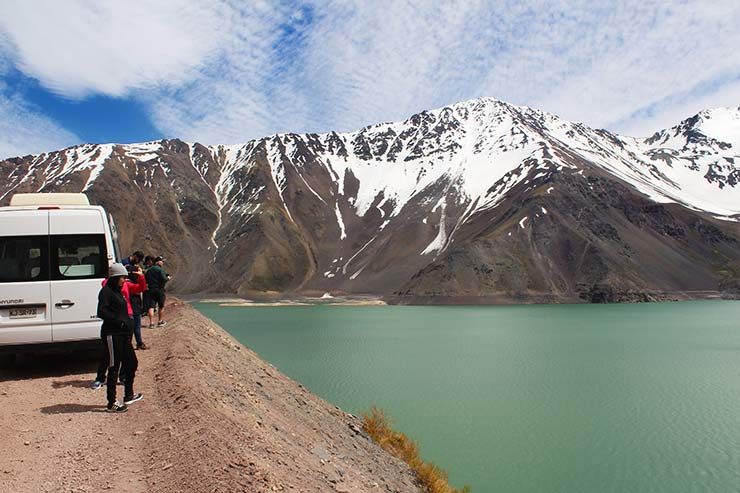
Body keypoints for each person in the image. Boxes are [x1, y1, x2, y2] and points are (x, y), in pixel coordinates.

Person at [94, 263, 144, 412]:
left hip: (122, 335)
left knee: (132, 363)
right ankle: (111, 402)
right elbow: (101, 312)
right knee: (114, 367)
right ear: (115, 277)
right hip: (112, 334)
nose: (124, 280)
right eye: (123, 277)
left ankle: (128, 394)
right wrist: (120, 322)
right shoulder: (106, 292)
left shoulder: (118, 291)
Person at [145, 256, 171, 328]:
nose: (163, 263)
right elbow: (163, 279)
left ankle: (151, 323)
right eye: (162, 261)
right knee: (161, 306)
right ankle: (160, 321)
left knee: (151, 306)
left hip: (151, 290)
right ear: (157, 262)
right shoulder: (160, 270)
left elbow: (146, 279)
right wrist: (168, 278)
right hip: (159, 290)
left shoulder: (149, 270)